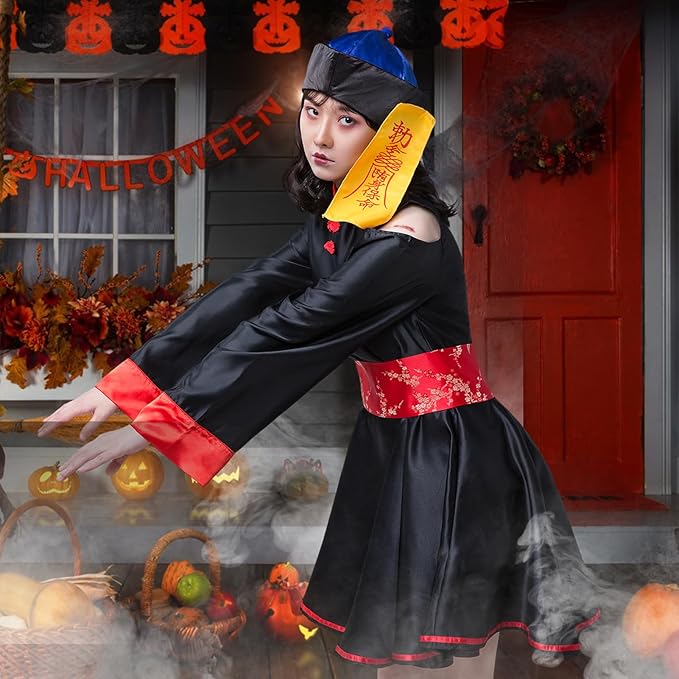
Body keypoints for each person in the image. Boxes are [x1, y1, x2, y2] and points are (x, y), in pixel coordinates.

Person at [38, 28, 598, 676]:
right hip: (392, 442)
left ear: (390, 137)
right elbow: (248, 292)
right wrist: (122, 386)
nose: (320, 136)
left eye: (347, 120)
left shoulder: (409, 234)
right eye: (312, 110)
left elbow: (293, 327)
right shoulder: (340, 219)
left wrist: (155, 424)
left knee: (438, 653)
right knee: (394, 651)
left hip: (450, 453)